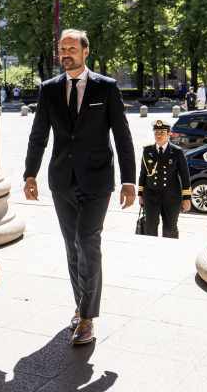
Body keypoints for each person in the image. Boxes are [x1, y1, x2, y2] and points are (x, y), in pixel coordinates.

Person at [23, 29, 137, 345]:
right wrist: (29, 174)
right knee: (72, 246)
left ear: (86, 51)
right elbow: (38, 135)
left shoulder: (107, 87)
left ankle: (87, 317)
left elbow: (123, 137)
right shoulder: (49, 89)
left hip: (98, 179)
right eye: (62, 49)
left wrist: (130, 180)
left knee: (88, 241)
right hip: (61, 179)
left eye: (72, 48)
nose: (66, 53)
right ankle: (80, 304)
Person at [138, 120, 192, 239]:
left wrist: (187, 198)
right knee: (150, 228)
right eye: (156, 132)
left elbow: (184, 176)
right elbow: (143, 174)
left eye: (162, 132)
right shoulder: (147, 151)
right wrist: (140, 195)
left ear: (169, 133)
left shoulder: (177, 151)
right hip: (151, 195)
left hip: (171, 196)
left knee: (170, 229)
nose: (158, 135)